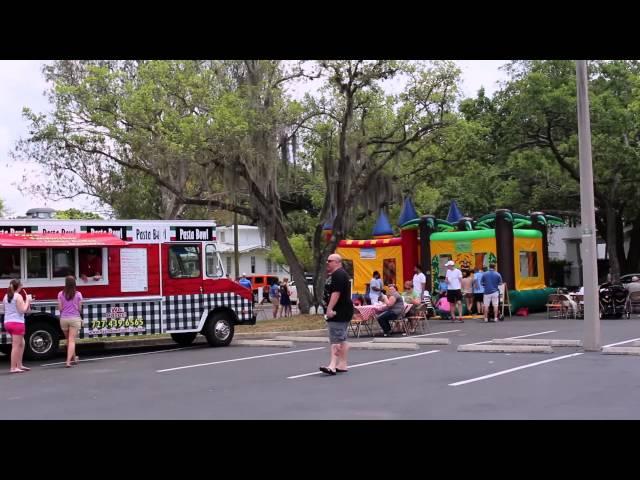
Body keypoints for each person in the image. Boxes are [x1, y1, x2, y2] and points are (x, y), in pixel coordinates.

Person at [320, 253, 353, 375]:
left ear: (337, 262)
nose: (327, 263)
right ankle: (342, 364)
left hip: (338, 312)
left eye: (330, 261)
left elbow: (336, 293)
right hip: (342, 310)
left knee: (335, 339)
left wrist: (329, 309)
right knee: (341, 339)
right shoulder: (337, 274)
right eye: (327, 261)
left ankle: (332, 365)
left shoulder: (338, 274)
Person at [2, 279, 31, 373]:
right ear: (18, 287)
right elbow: (22, 310)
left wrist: (27, 303)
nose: (22, 287)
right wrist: (28, 300)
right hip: (17, 323)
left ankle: (19, 365)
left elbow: (5, 309)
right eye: (21, 286)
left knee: (22, 343)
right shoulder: (18, 296)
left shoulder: (6, 296)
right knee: (16, 346)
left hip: (8, 323)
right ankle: (13, 367)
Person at [58, 275, 83, 368]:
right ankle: (68, 361)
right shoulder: (78, 294)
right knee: (72, 340)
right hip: (74, 319)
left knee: (69, 340)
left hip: (64, 319)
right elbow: (80, 309)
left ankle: (74, 358)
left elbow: (60, 308)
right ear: (74, 283)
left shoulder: (60, 294)